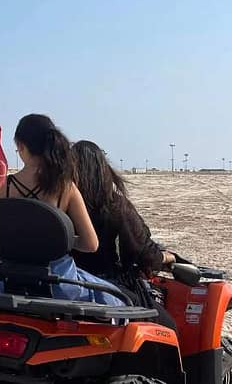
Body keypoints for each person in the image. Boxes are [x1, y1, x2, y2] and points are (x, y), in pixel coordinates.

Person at [0, 114, 123, 306]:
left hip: (8, 281)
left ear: (21, 146)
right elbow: (91, 244)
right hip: (57, 284)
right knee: (119, 298)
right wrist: (57, 238)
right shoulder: (65, 187)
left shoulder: (2, 186)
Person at [71, 140, 177, 327]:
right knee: (168, 326)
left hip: (67, 281)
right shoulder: (114, 205)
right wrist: (167, 257)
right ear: (102, 170)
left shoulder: (61, 202)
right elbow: (143, 251)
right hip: (104, 283)